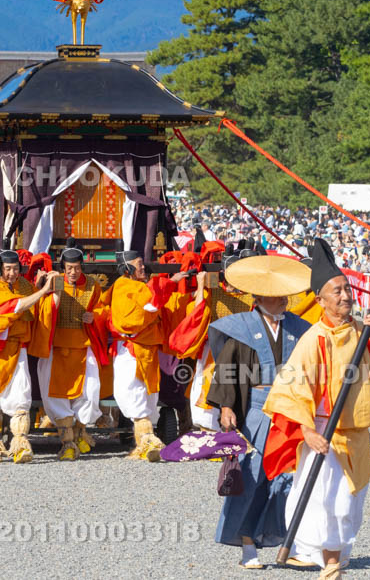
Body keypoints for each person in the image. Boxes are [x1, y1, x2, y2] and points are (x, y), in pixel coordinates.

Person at [262, 239, 370, 577]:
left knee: (351, 503)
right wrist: (307, 431)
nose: (345, 296)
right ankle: (332, 562)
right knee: (326, 503)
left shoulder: (363, 331)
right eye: (336, 291)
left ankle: (337, 557)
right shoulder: (314, 339)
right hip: (325, 430)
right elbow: (291, 391)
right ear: (320, 300)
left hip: (356, 431)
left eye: (347, 288)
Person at [204, 253, 312, 569]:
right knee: (251, 479)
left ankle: (288, 541)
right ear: (259, 296)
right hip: (254, 410)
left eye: (284, 293)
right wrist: (226, 407)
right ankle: (247, 543)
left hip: (290, 412)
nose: (282, 299)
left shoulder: (300, 328)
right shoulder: (241, 328)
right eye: (275, 294)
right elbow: (227, 369)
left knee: (287, 480)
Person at [0, 249, 56, 463]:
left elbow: (36, 309)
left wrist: (42, 288)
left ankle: (20, 444)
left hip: (17, 348)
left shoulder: (25, 287)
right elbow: (15, 306)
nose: (12, 273)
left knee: (20, 396)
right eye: (8, 269)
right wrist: (42, 291)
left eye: (16, 269)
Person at [109, 243, 188, 461]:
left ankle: (143, 444)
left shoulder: (140, 286)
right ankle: (147, 440)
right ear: (127, 269)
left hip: (147, 349)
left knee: (148, 393)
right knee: (132, 391)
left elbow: (152, 301)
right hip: (131, 350)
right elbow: (138, 315)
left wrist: (170, 284)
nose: (143, 268)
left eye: (143, 264)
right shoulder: (123, 286)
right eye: (138, 265)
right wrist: (169, 284)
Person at [31, 241, 106, 460]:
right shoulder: (55, 283)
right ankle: (67, 442)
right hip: (56, 345)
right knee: (56, 394)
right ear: (63, 267)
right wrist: (51, 295)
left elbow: (103, 309)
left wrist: (95, 317)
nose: (73, 272)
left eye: (77, 268)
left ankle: (82, 431)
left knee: (90, 390)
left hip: (83, 345)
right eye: (69, 268)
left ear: (82, 266)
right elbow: (40, 309)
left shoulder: (93, 285)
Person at [168, 245, 251, 432]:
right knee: (208, 386)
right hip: (214, 349)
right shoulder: (213, 289)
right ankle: (211, 433)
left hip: (244, 351)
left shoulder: (252, 295)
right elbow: (197, 311)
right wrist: (200, 285)